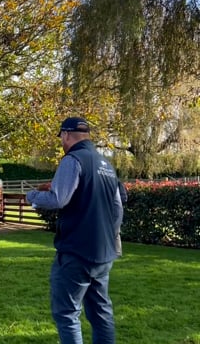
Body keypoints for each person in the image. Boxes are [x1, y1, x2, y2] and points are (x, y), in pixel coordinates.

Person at [26, 117, 123, 344]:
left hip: (76, 252)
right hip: (103, 253)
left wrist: (32, 196)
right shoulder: (106, 165)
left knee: (67, 313)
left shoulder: (72, 160)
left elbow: (59, 198)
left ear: (66, 135)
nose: (61, 141)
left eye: (61, 137)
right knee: (101, 314)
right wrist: (110, 236)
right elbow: (117, 208)